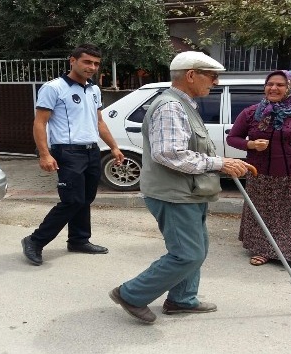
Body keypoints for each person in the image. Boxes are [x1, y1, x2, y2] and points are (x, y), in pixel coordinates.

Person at [108, 51, 253, 324]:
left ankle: (181, 299)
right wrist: (219, 163)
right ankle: (131, 294)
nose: (215, 82)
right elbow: (170, 153)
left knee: (198, 249)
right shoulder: (170, 106)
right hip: (173, 194)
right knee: (187, 254)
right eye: (211, 76)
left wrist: (221, 162)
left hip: (189, 191)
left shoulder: (184, 104)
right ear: (190, 75)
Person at [21, 43, 125, 266]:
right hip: (67, 152)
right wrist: (44, 154)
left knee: (85, 199)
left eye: (96, 63)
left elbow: (99, 122)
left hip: (91, 151)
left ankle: (78, 240)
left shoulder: (94, 89)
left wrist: (114, 147)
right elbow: (40, 123)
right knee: (72, 200)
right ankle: (35, 240)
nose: (92, 67)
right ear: (73, 61)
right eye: (87, 62)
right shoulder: (53, 88)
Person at [226, 70, 291, 266]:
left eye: (280, 85)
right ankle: (264, 250)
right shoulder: (252, 112)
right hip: (261, 175)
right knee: (264, 214)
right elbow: (232, 138)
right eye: (269, 84)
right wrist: (250, 145)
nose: (273, 88)